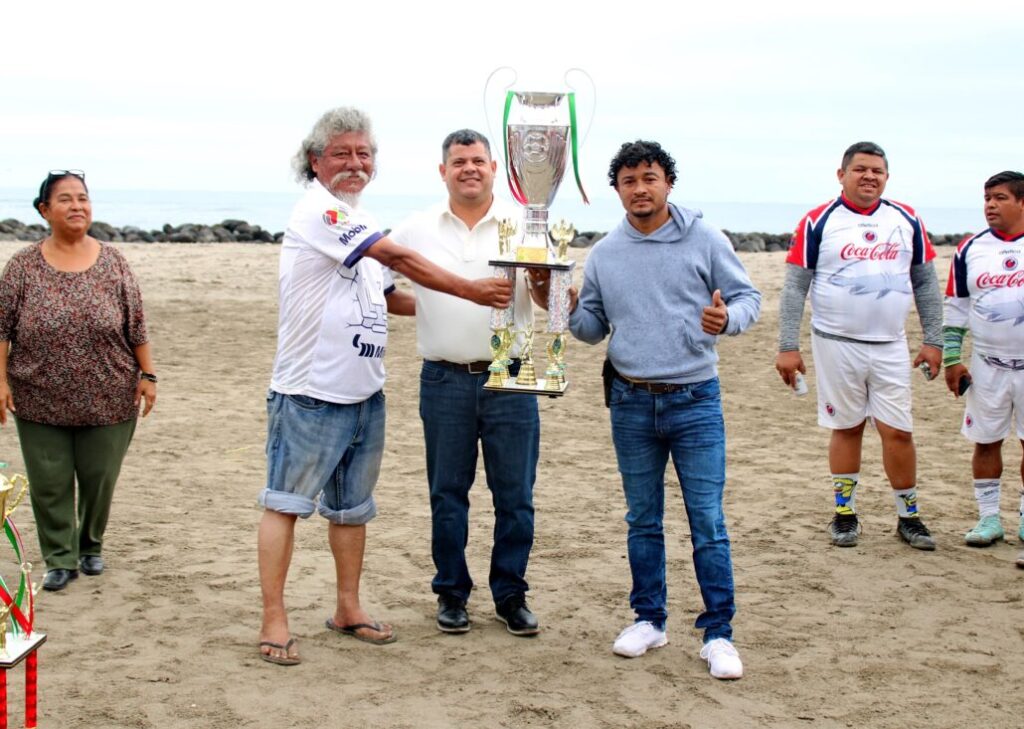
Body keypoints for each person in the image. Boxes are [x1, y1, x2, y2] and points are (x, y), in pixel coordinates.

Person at [256, 108, 513, 666]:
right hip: (308, 392)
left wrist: (467, 315)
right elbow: (396, 256)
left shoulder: (359, 217)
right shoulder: (320, 211)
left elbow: (390, 293)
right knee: (285, 505)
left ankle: (349, 607)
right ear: (314, 160)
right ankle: (273, 618)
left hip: (364, 392)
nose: (355, 163)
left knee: (352, 510)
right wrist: (470, 290)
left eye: (364, 153)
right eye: (342, 153)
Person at [567, 140, 760, 679]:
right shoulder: (605, 252)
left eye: (649, 177)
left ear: (668, 183)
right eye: (629, 181)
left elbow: (748, 299)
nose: (640, 188)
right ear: (618, 191)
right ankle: (649, 620)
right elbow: (590, 330)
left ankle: (719, 633)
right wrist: (559, 303)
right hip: (629, 401)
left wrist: (730, 321)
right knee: (642, 520)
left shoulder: (705, 238)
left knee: (707, 521)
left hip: (696, 400)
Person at [389, 130, 540, 637]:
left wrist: (541, 278)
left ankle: (511, 595)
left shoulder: (527, 221)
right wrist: (436, 303)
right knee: (447, 493)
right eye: (459, 162)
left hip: (512, 377)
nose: (469, 168)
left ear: (495, 168)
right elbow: (384, 289)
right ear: (443, 171)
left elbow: (549, 298)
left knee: (515, 495)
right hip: (444, 378)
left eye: (478, 160)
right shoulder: (415, 228)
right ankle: (451, 593)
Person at [775, 141, 942, 551]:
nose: (869, 177)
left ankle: (909, 517)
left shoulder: (907, 219)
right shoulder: (818, 221)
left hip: (890, 344)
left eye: (878, 171)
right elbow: (796, 286)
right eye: (861, 169)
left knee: (897, 431)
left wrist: (934, 339)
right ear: (842, 174)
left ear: (886, 177)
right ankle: (845, 514)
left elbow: (925, 282)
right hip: (836, 343)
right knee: (846, 428)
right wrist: (787, 345)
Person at [0, 170, 157, 593]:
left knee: (98, 478)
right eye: (65, 199)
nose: (77, 206)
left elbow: (136, 324)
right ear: (44, 210)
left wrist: (149, 375)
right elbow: (2, 330)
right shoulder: (22, 266)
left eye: (83, 198)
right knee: (49, 483)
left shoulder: (113, 261)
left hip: (109, 392)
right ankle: (59, 557)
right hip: (38, 394)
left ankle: (90, 546)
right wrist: (1, 382)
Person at [942, 170, 1024, 568]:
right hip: (987, 364)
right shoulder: (970, 248)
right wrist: (953, 359)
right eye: (987, 197)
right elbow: (956, 308)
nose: (990, 204)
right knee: (986, 441)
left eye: (1000, 198)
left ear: (1022, 202)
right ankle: (989, 518)